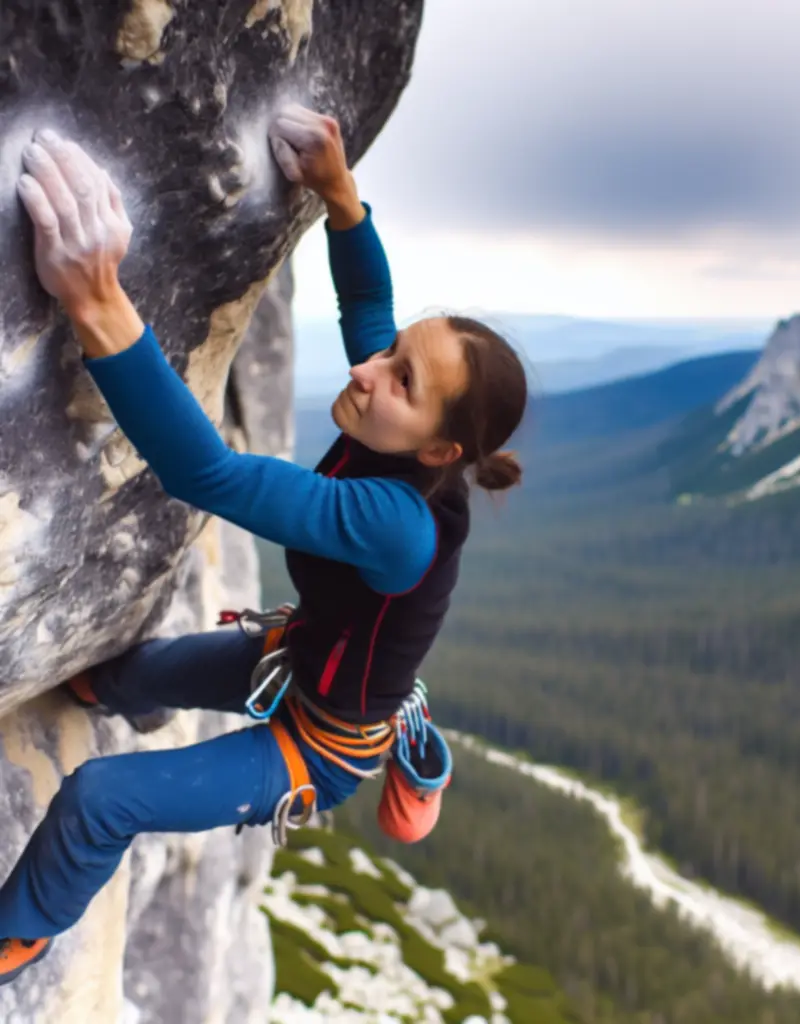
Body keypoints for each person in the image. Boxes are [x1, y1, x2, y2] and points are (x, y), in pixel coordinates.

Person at [0, 103, 528, 986]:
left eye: (401, 377)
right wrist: (341, 196)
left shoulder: (397, 524)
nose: (368, 370)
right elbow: (369, 306)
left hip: (316, 746)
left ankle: (23, 931)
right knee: (128, 676)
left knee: (100, 801)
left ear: (442, 452)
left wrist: (96, 299)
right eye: (392, 355)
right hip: (299, 655)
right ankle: (123, 691)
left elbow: (209, 474)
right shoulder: (392, 419)